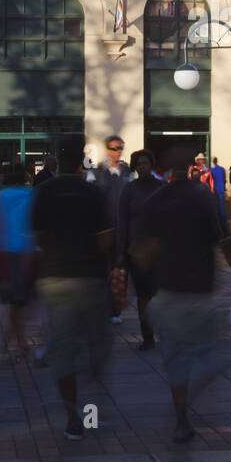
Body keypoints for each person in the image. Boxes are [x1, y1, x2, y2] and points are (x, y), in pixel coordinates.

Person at [135, 143, 231, 443]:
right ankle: (183, 412)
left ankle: (181, 417)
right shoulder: (202, 197)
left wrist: (139, 286)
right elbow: (227, 244)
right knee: (214, 358)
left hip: (168, 294)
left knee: (176, 360)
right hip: (198, 294)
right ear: (192, 165)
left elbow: (142, 254)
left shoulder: (155, 200)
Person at [32, 145, 114, 440]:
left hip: (55, 279)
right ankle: (92, 404)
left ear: (56, 162)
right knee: (97, 346)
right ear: (82, 162)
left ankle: (72, 418)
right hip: (89, 278)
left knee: (64, 350)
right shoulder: (93, 193)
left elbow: (37, 236)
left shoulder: (44, 191)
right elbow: (106, 242)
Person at [118, 149, 165, 350]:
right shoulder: (129, 190)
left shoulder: (162, 187)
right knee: (144, 295)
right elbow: (122, 222)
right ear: (135, 167)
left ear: (151, 165)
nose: (142, 166)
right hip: (137, 251)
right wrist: (121, 252)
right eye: (139, 163)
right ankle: (147, 336)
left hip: (160, 249)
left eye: (146, 163)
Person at [0, 163, 36, 356]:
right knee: (21, 299)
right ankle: (15, 340)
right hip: (24, 251)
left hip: (3, 251)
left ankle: (13, 339)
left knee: (15, 299)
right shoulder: (30, 196)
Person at [88, 135, 131, 323]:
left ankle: (115, 310)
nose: (117, 151)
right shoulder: (96, 173)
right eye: (113, 148)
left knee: (120, 271)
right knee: (102, 270)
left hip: (122, 230)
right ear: (107, 150)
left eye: (120, 148)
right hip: (102, 230)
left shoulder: (128, 173)